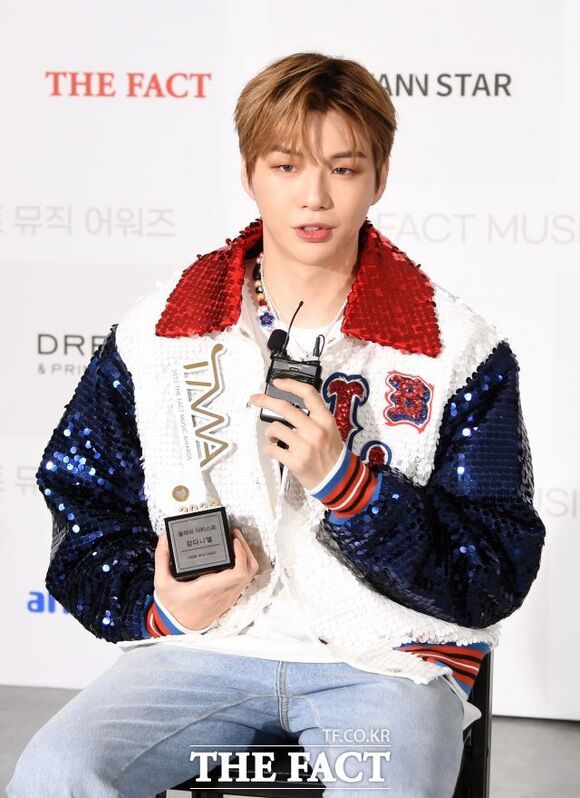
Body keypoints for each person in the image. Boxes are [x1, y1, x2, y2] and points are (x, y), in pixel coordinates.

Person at [7, 51, 546, 798]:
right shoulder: (160, 334)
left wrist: (350, 487)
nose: (314, 196)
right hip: (204, 651)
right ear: (250, 174)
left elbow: (494, 567)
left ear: (380, 178)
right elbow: (83, 503)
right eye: (287, 166)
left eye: (344, 169)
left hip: (385, 663)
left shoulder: (455, 349)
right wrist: (160, 606)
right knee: (55, 774)